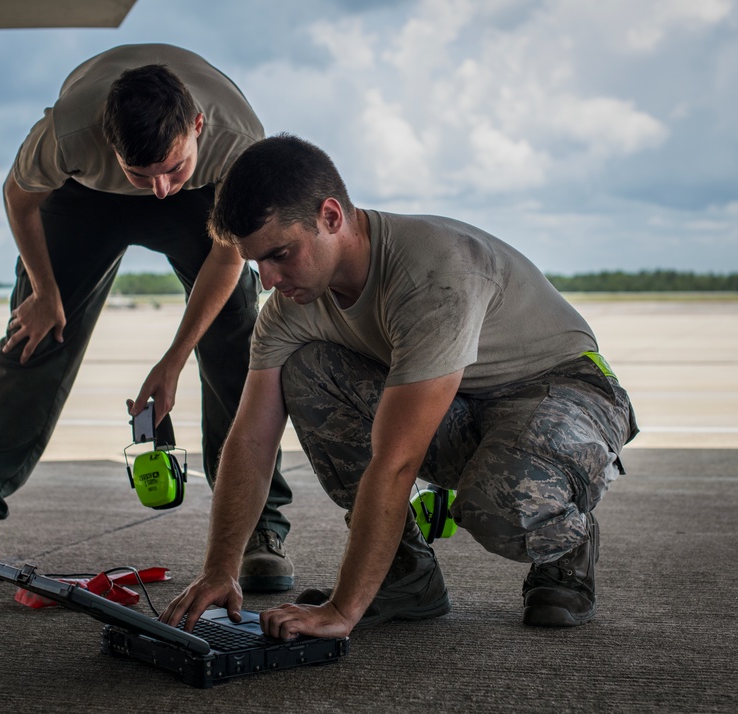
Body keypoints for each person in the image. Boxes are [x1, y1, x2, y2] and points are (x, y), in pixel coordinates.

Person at [161, 134, 638, 638]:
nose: (270, 277)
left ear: (330, 216)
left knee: (500, 503)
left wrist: (342, 611)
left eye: (281, 254)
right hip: (464, 404)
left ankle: (568, 543)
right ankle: (404, 578)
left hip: (563, 392)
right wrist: (220, 569)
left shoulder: (432, 275)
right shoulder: (289, 310)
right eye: (257, 262)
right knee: (305, 369)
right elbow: (251, 440)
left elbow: (398, 460)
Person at [0, 45, 295, 593]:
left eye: (171, 167)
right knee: (32, 341)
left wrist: (173, 360)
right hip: (85, 197)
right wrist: (43, 292)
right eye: (142, 174)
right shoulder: (66, 134)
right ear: (111, 145)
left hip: (204, 201)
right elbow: (20, 199)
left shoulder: (240, 145)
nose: (159, 188)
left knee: (237, 345)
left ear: (199, 126)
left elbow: (228, 256)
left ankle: (260, 529)